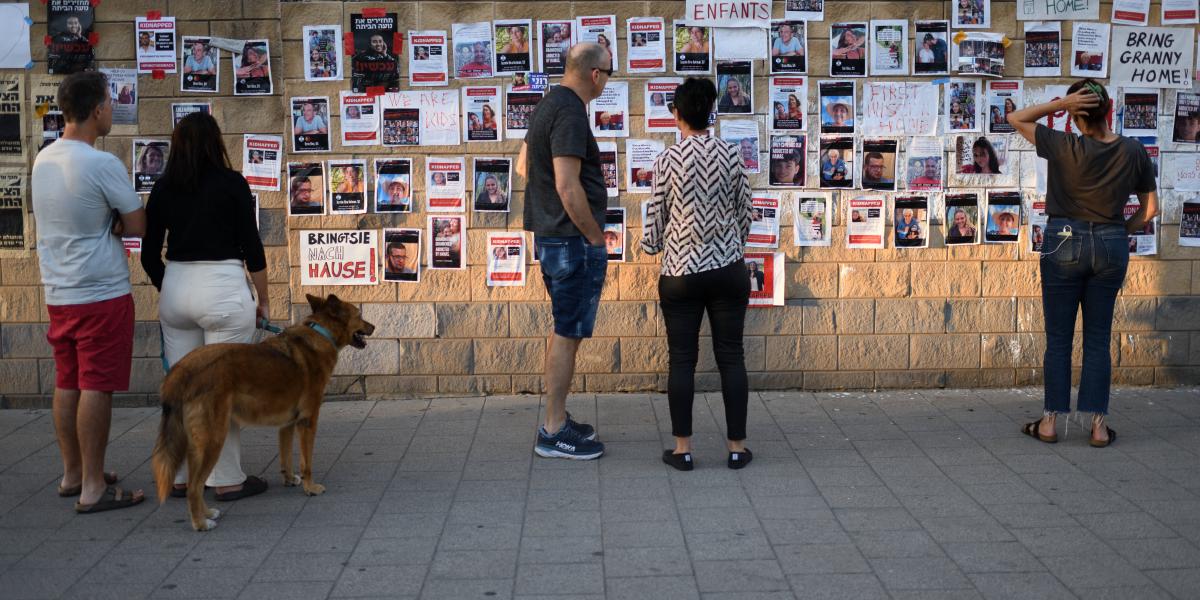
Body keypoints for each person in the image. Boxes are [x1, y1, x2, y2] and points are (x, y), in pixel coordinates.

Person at [1007, 79, 1158, 448]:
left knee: (1058, 339)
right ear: (1108, 112)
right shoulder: (1134, 150)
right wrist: (1120, 231)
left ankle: (1049, 422)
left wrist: (1061, 103)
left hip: (1064, 240)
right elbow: (1150, 210)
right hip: (1110, 242)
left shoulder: (1064, 145)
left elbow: (1016, 118)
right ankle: (1098, 427)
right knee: (1097, 339)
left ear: (1075, 117)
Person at [32, 71, 147, 514]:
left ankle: (73, 473)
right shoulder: (101, 163)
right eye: (109, 103)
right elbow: (137, 223)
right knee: (96, 384)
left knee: (68, 381)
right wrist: (115, 222)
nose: (112, 109)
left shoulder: (44, 158)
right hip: (100, 291)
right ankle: (94, 488)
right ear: (97, 109)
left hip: (59, 291)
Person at [141, 112, 269, 503]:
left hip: (177, 290)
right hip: (225, 290)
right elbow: (253, 249)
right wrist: (263, 300)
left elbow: (149, 256)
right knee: (220, 391)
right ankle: (226, 478)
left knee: (183, 389)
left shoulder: (163, 188)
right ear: (217, 144)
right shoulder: (232, 184)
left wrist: (173, 287)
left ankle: (181, 476)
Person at [641, 77, 754, 471]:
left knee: (682, 360)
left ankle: (682, 449)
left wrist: (656, 245)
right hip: (728, 269)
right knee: (732, 356)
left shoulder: (667, 161)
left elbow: (655, 223)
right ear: (711, 112)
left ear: (676, 114)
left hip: (681, 273)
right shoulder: (732, 154)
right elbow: (746, 213)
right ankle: (737, 448)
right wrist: (727, 243)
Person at [516, 43, 611, 460]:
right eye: (608, 74)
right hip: (571, 241)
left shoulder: (547, 104)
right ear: (595, 74)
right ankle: (553, 430)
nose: (608, 82)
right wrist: (593, 236)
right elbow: (567, 185)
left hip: (552, 237)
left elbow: (523, 165)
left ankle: (557, 419)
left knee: (563, 329)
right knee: (567, 333)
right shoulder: (570, 111)